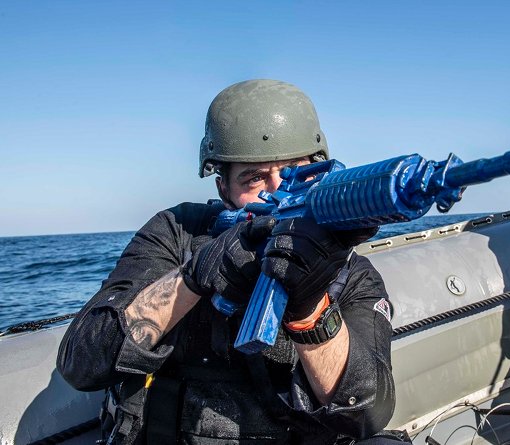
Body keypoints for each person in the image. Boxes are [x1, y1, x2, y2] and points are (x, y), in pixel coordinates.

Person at [57, 79, 398, 444]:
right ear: (223, 189)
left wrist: (309, 309)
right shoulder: (178, 232)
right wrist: (193, 277)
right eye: (255, 177)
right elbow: (83, 363)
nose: (279, 189)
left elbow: (367, 412)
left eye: (295, 172)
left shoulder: (351, 272)